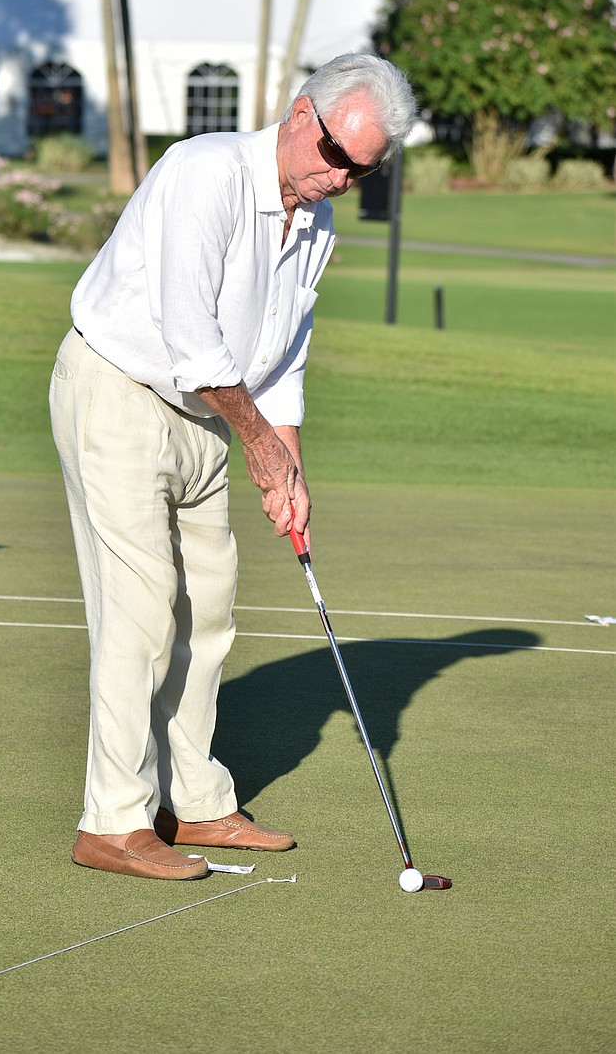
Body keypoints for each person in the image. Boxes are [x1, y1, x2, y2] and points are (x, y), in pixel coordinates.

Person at [49, 53, 417, 880]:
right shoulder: (204, 173)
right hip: (119, 389)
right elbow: (193, 340)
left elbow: (280, 362)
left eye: (362, 169)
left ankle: (197, 800)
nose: (341, 178)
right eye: (335, 155)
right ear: (299, 114)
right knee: (141, 613)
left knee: (209, 613)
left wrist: (289, 469)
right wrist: (256, 444)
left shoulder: (313, 224)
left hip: (211, 413)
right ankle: (111, 820)